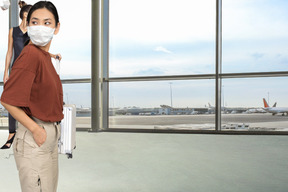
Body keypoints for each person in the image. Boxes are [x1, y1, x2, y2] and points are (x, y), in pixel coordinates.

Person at [1, 1, 63, 191]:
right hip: (35, 137)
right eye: (34, 22)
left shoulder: (43, 57)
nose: (40, 28)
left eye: (47, 23)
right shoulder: (30, 55)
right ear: (27, 26)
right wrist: (36, 130)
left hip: (47, 138)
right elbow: (7, 99)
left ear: (56, 28)